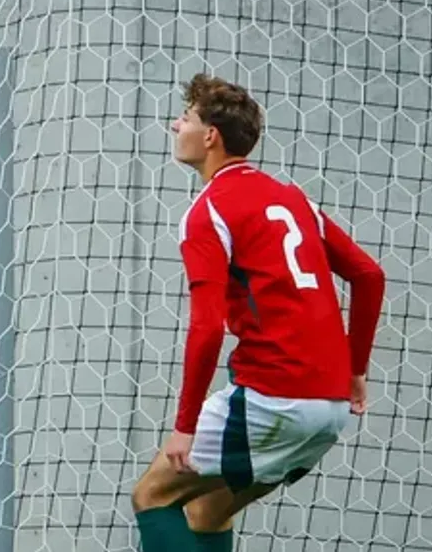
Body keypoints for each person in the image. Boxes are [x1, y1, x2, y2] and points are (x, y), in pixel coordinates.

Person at [130, 74, 387, 552]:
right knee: (208, 511)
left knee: (152, 496)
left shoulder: (208, 211)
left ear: (210, 136)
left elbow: (207, 327)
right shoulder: (293, 199)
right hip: (330, 409)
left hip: (275, 397)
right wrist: (355, 371)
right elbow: (369, 275)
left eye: (185, 118)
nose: (175, 126)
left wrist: (185, 426)